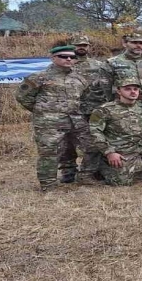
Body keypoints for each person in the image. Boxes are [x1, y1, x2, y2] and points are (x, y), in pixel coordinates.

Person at [16, 45, 90, 191]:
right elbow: (23, 97)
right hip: (49, 123)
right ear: (53, 58)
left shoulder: (80, 78)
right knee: (49, 152)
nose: (69, 59)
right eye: (63, 56)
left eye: (72, 57)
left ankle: (85, 177)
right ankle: (48, 184)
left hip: (76, 121)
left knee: (91, 147)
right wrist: (43, 111)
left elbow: (86, 98)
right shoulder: (39, 77)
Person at [69, 34, 112, 184]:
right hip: (72, 110)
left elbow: (106, 85)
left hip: (93, 109)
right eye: (78, 45)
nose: (81, 47)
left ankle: (97, 171)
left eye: (84, 45)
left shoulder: (98, 65)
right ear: (72, 46)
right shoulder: (67, 64)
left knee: (96, 141)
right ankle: (68, 172)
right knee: (68, 143)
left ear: (88, 47)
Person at [107, 34, 142, 104]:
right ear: (125, 44)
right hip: (123, 105)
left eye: (141, 43)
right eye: (134, 43)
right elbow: (105, 88)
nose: (138, 45)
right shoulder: (112, 63)